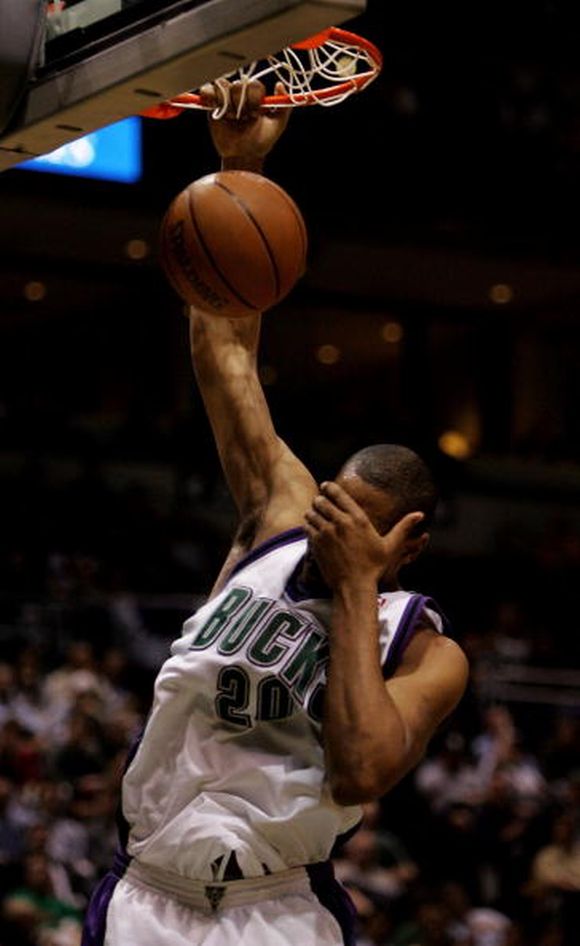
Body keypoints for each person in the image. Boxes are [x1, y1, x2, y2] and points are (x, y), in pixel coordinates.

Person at [81, 80, 469, 946]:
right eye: (331, 503)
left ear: (407, 542)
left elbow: (361, 770)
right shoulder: (279, 516)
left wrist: (358, 589)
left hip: (276, 908)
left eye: (357, 523)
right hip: (146, 891)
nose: (329, 526)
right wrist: (242, 166)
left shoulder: (426, 650)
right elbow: (225, 351)